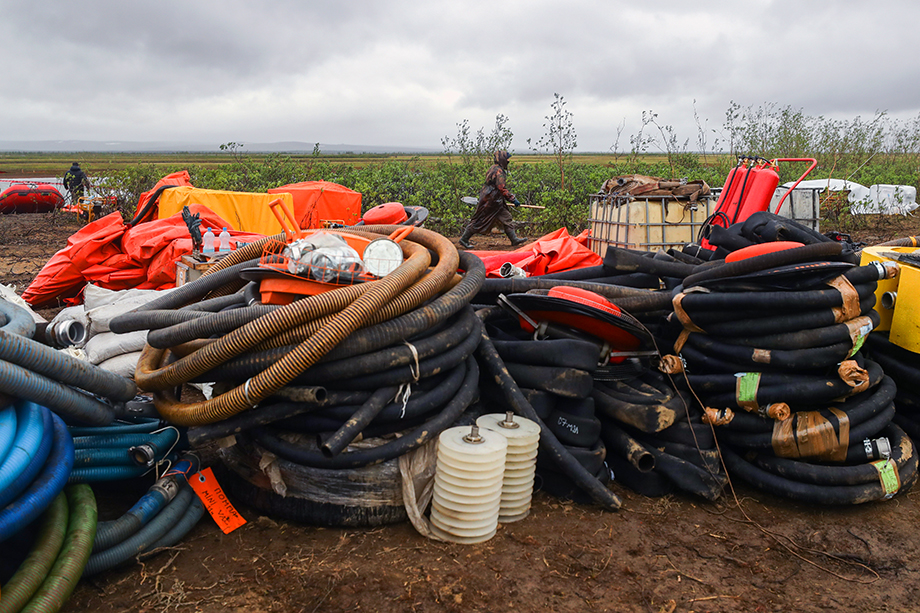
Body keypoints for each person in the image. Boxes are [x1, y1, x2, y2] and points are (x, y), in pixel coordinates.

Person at [458, 150, 527, 249]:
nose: (508, 160)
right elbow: (501, 188)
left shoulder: (493, 168)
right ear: (502, 159)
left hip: (495, 201)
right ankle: (464, 239)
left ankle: (514, 239)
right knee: (479, 220)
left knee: (506, 217)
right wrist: (512, 198)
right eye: (507, 158)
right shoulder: (499, 171)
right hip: (491, 201)